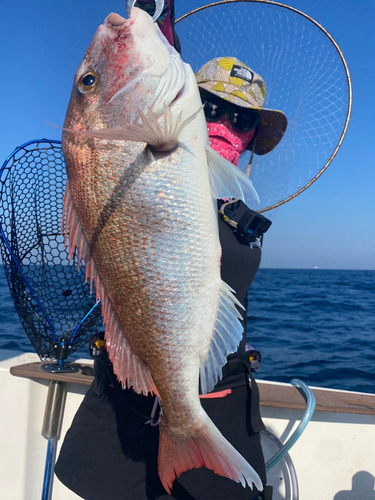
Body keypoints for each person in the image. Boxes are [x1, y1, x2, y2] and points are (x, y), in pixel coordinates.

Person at [54, 3, 287, 500]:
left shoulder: (239, 210)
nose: (226, 123)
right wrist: (152, 23)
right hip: (122, 411)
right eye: (214, 108)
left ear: (251, 139)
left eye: (243, 118)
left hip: (220, 405)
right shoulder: (152, 147)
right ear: (192, 109)